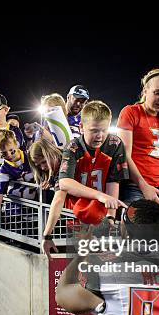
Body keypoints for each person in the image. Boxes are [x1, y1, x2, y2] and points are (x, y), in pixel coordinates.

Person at [41, 101, 129, 256]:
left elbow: (112, 182)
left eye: (104, 130)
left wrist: (109, 218)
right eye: (94, 130)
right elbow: (63, 184)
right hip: (75, 216)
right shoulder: (73, 147)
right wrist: (47, 235)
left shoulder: (115, 144)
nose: (100, 136)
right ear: (81, 127)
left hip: (100, 215)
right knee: (78, 265)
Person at [117, 69, 159, 207]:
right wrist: (143, 185)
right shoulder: (131, 112)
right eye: (157, 92)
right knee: (136, 227)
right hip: (134, 185)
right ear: (145, 91)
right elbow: (124, 155)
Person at [0, 129, 32, 238]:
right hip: (19, 210)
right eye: (4, 153)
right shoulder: (4, 169)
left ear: (16, 144)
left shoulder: (32, 156)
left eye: (12, 150)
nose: (9, 155)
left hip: (36, 205)